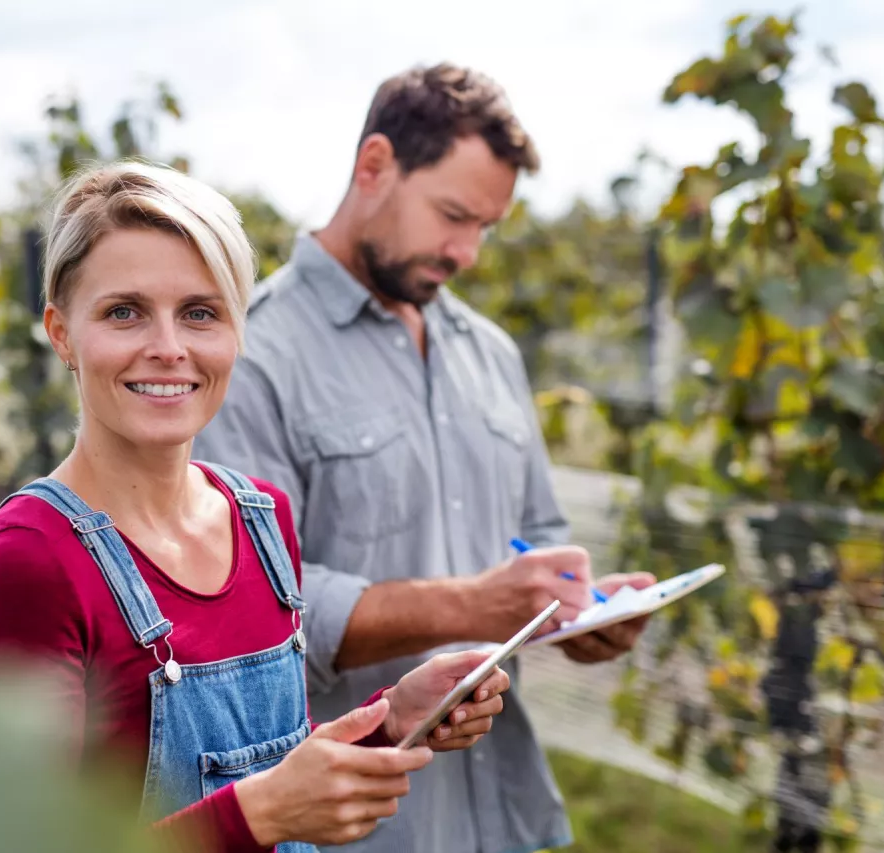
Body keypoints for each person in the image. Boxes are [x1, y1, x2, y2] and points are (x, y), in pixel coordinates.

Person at [0, 160, 518, 853]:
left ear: (238, 333)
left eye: (201, 313)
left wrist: (390, 719)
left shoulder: (261, 520)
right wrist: (258, 817)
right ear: (62, 333)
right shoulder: (27, 565)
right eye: (124, 312)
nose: (168, 348)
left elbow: (268, 760)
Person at [191, 63, 657, 853]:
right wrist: (478, 604)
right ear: (374, 166)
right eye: (453, 215)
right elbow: (251, 608)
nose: (468, 251)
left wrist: (577, 611)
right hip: (360, 823)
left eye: (485, 227)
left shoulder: (492, 355)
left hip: (496, 815)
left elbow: (533, 543)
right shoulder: (253, 354)